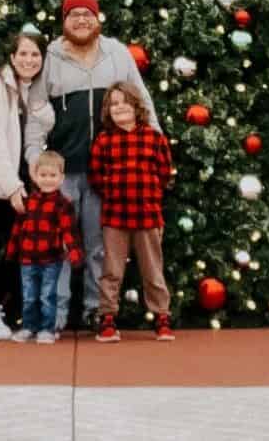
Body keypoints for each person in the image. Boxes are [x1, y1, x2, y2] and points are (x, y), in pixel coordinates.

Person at [25, 0, 160, 333]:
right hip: (62, 172)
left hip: (108, 174)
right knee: (60, 246)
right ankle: (56, 317)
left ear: (97, 19)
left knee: (100, 248)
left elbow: (141, 99)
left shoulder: (117, 53)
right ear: (64, 21)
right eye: (74, 15)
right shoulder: (51, 56)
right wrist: (32, 158)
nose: (82, 20)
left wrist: (155, 142)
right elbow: (38, 112)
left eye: (88, 14)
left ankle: (97, 313)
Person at [0, 31, 53, 342]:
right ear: (12, 57)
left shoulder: (30, 92)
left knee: (14, 252)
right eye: (24, 54)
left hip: (17, 184)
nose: (29, 60)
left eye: (35, 55)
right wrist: (13, 187)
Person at [88, 82, 175, 344]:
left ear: (137, 107)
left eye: (124, 102)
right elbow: (96, 175)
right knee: (112, 270)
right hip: (115, 217)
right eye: (113, 104)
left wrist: (149, 195)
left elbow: (163, 172)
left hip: (147, 216)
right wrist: (114, 192)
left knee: (152, 270)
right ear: (108, 111)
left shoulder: (153, 137)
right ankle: (107, 319)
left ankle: (161, 317)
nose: (119, 108)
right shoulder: (104, 140)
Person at [5, 150, 83, 343]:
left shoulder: (63, 204)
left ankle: (47, 329)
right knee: (29, 296)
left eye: (53, 175)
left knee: (48, 295)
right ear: (35, 176)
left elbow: (69, 232)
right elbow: (17, 229)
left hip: (51, 260)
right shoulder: (28, 202)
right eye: (43, 175)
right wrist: (12, 251)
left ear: (61, 178)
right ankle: (29, 326)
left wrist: (74, 253)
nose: (48, 180)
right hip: (27, 259)